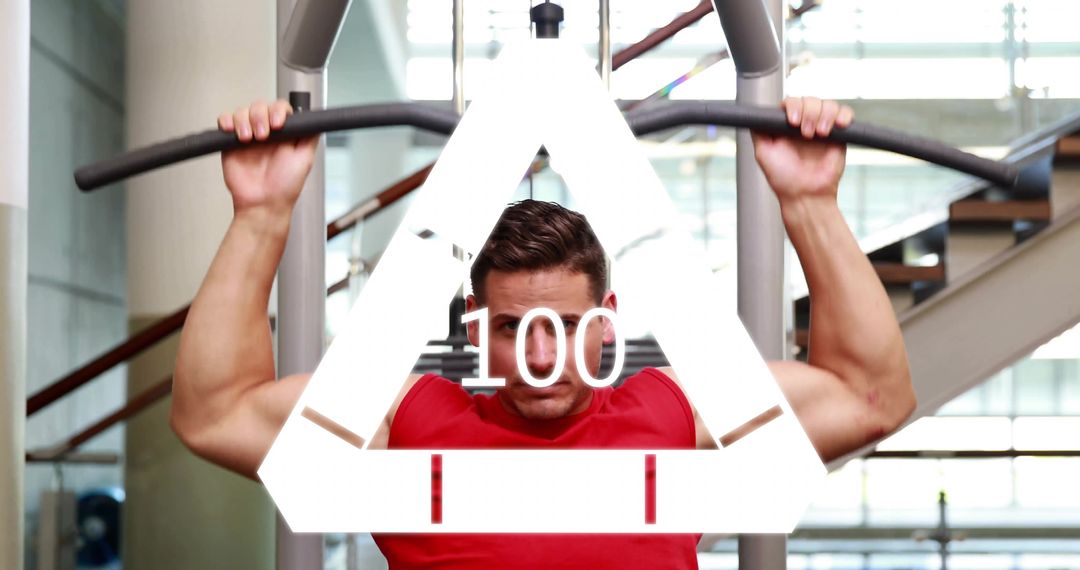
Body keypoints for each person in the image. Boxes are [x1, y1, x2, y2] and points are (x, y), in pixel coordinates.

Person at [170, 97, 915, 569]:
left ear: (607, 322)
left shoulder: (670, 414)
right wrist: (262, 214)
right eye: (509, 328)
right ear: (472, 329)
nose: (537, 357)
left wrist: (812, 203)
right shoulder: (409, 423)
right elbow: (216, 412)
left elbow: (870, 396)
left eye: (564, 326)